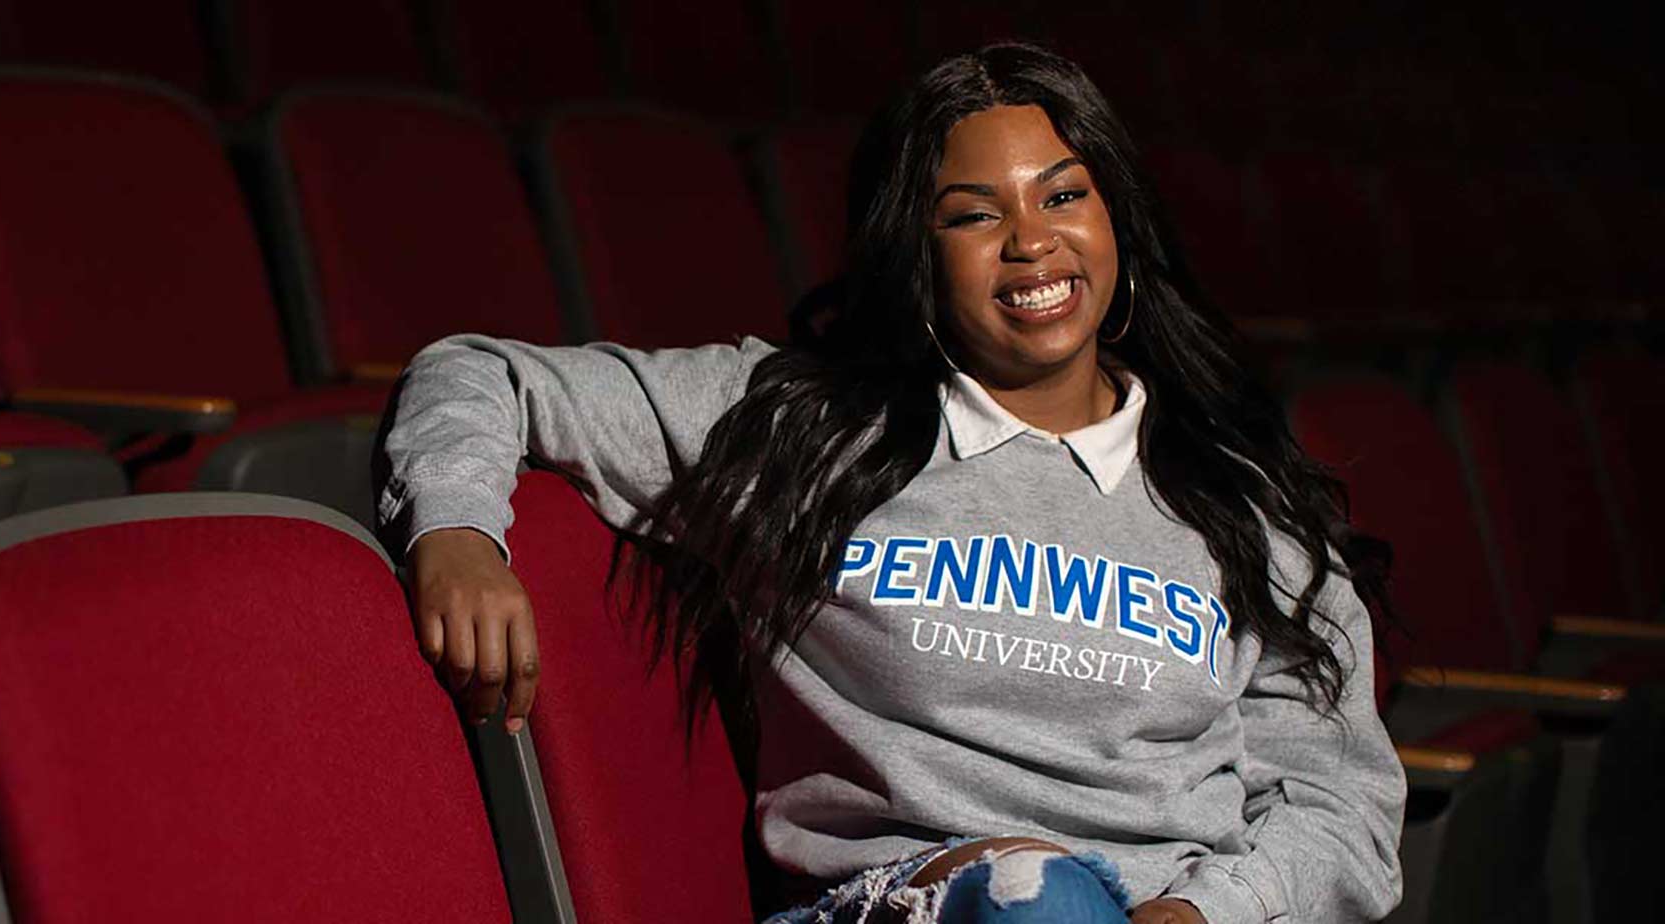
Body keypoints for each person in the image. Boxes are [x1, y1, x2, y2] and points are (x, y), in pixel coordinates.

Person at [379, 43, 1404, 924]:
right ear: (919, 254)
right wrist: (459, 533)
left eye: (1062, 195)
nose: (1030, 241)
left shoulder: (1238, 506)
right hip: (910, 901)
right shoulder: (808, 429)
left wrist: (1198, 912)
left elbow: (1341, 806)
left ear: (1117, 223)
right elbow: (482, 373)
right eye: (972, 215)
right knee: (1037, 899)